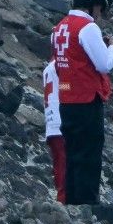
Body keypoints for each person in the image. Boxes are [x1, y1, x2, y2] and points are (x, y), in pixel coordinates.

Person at [50, 0, 113, 205]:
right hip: (87, 99)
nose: (100, 14)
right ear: (94, 3)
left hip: (67, 98)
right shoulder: (87, 27)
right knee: (89, 155)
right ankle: (88, 204)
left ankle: (71, 202)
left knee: (73, 155)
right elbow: (104, 64)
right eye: (101, 7)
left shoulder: (59, 28)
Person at [41, 60, 66, 203]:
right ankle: (63, 197)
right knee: (64, 161)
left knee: (58, 162)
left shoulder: (47, 69)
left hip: (51, 122)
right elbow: (64, 87)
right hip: (60, 120)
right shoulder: (60, 66)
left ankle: (61, 194)